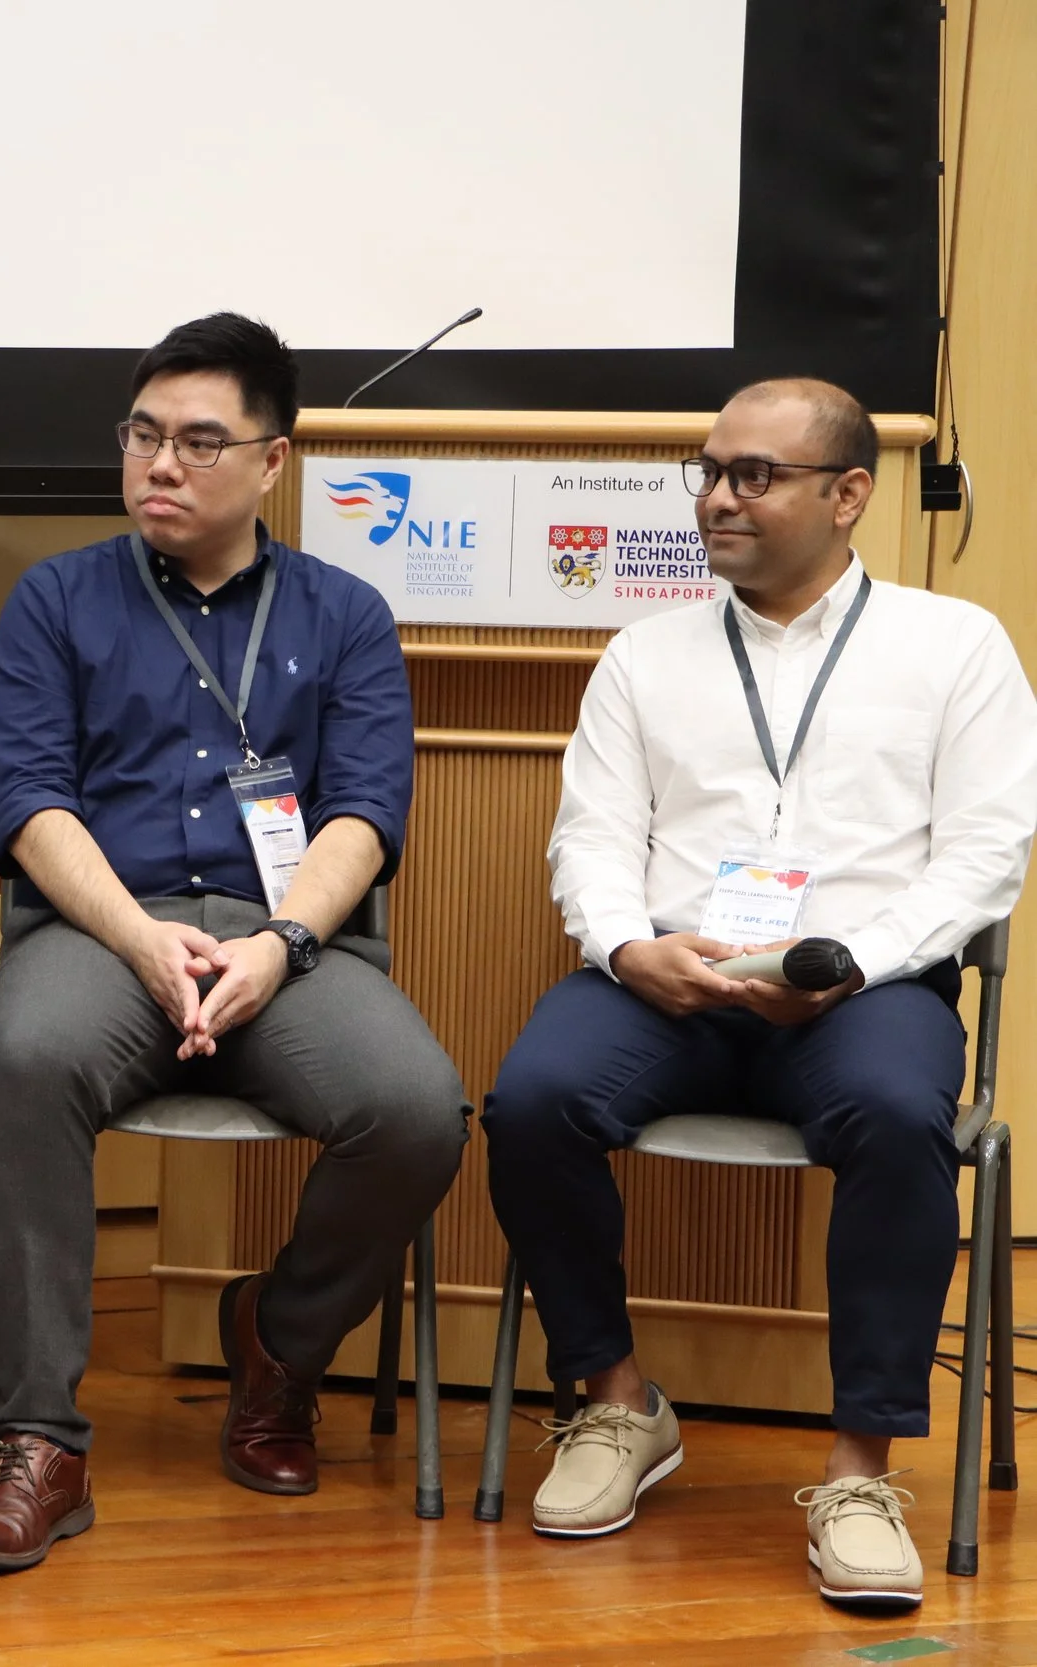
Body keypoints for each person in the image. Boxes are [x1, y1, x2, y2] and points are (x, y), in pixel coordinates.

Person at [485, 378, 1037, 1608]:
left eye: (754, 474)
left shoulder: (955, 647)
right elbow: (589, 838)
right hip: (665, 978)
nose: (717, 495)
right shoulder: (645, 652)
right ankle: (619, 1403)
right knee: (530, 1100)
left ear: (848, 495)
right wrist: (632, 951)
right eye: (710, 469)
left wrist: (842, 963)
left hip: (865, 987)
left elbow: (984, 853)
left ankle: (858, 1471)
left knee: (903, 1119)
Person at [0, 313, 468, 1573]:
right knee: (28, 1065)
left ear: (272, 461)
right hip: (103, 929)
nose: (157, 466)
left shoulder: (345, 613)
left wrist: (280, 942)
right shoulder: (56, 596)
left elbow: (364, 812)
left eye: (194, 441)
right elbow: (24, 802)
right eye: (140, 436)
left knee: (416, 1107)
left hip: (286, 945)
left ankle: (278, 1346)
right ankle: (33, 1444)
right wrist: (136, 938)